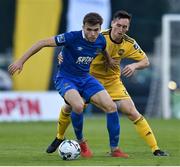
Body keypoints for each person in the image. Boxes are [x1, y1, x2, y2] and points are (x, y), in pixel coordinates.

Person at [46, 10, 168, 157]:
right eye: (119, 25)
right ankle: (59, 137)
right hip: (90, 78)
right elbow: (75, 48)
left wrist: (134, 66)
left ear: (128, 28)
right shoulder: (97, 36)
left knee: (132, 111)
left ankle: (155, 149)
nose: (121, 29)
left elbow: (146, 61)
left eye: (125, 27)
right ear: (112, 24)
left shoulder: (129, 44)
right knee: (70, 106)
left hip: (113, 82)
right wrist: (62, 55)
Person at [8, 12, 127, 158]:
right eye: (89, 29)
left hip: (85, 79)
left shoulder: (101, 40)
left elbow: (103, 50)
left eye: (96, 29)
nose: (93, 34)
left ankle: (115, 149)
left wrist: (108, 60)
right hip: (66, 79)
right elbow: (42, 43)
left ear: (100, 28)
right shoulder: (71, 37)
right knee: (77, 105)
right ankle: (81, 142)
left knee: (112, 106)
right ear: (83, 27)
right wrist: (21, 61)